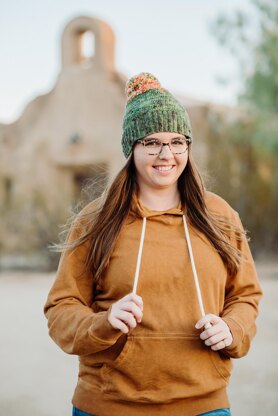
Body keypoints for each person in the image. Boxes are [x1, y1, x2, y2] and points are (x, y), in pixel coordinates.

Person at [44, 72, 263, 416]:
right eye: (151, 142)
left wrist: (232, 328)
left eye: (177, 141)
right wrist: (104, 321)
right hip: (108, 405)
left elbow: (245, 295)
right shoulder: (96, 219)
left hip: (203, 404)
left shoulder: (219, 215)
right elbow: (61, 309)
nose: (167, 154)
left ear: (188, 146)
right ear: (131, 147)